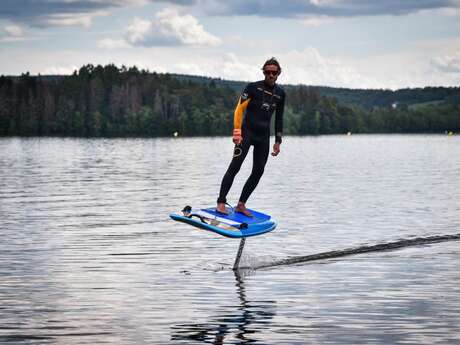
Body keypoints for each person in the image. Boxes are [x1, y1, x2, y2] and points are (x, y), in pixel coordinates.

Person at [216, 57, 285, 216]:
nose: (270, 75)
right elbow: (239, 110)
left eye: (274, 72)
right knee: (235, 166)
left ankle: (241, 204)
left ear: (278, 73)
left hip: (263, 136)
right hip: (246, 133)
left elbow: (279, 118)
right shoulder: (253, 88)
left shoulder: (281, 94)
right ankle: (221, 202)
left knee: (258, 171)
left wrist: (278, 141)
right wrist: (237, 132)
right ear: (263, 72)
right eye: (267, 72)